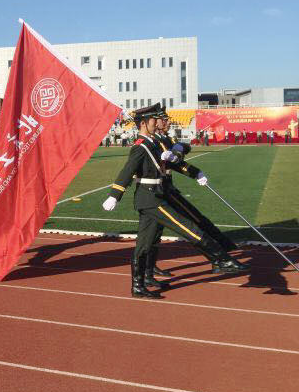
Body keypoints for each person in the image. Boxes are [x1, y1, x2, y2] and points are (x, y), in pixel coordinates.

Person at [102, 104, 247, 299]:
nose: (157, 123)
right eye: (154, 119)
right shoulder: (140, 146)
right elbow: (127, 171)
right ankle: (220, 259)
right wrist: (115, 195)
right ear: (143, 123)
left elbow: (171, 163)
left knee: (144, 244)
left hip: (155, 196)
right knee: (188, 228)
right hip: (151, 199)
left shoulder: (153, 143)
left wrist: (195, 172)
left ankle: (139, 285)